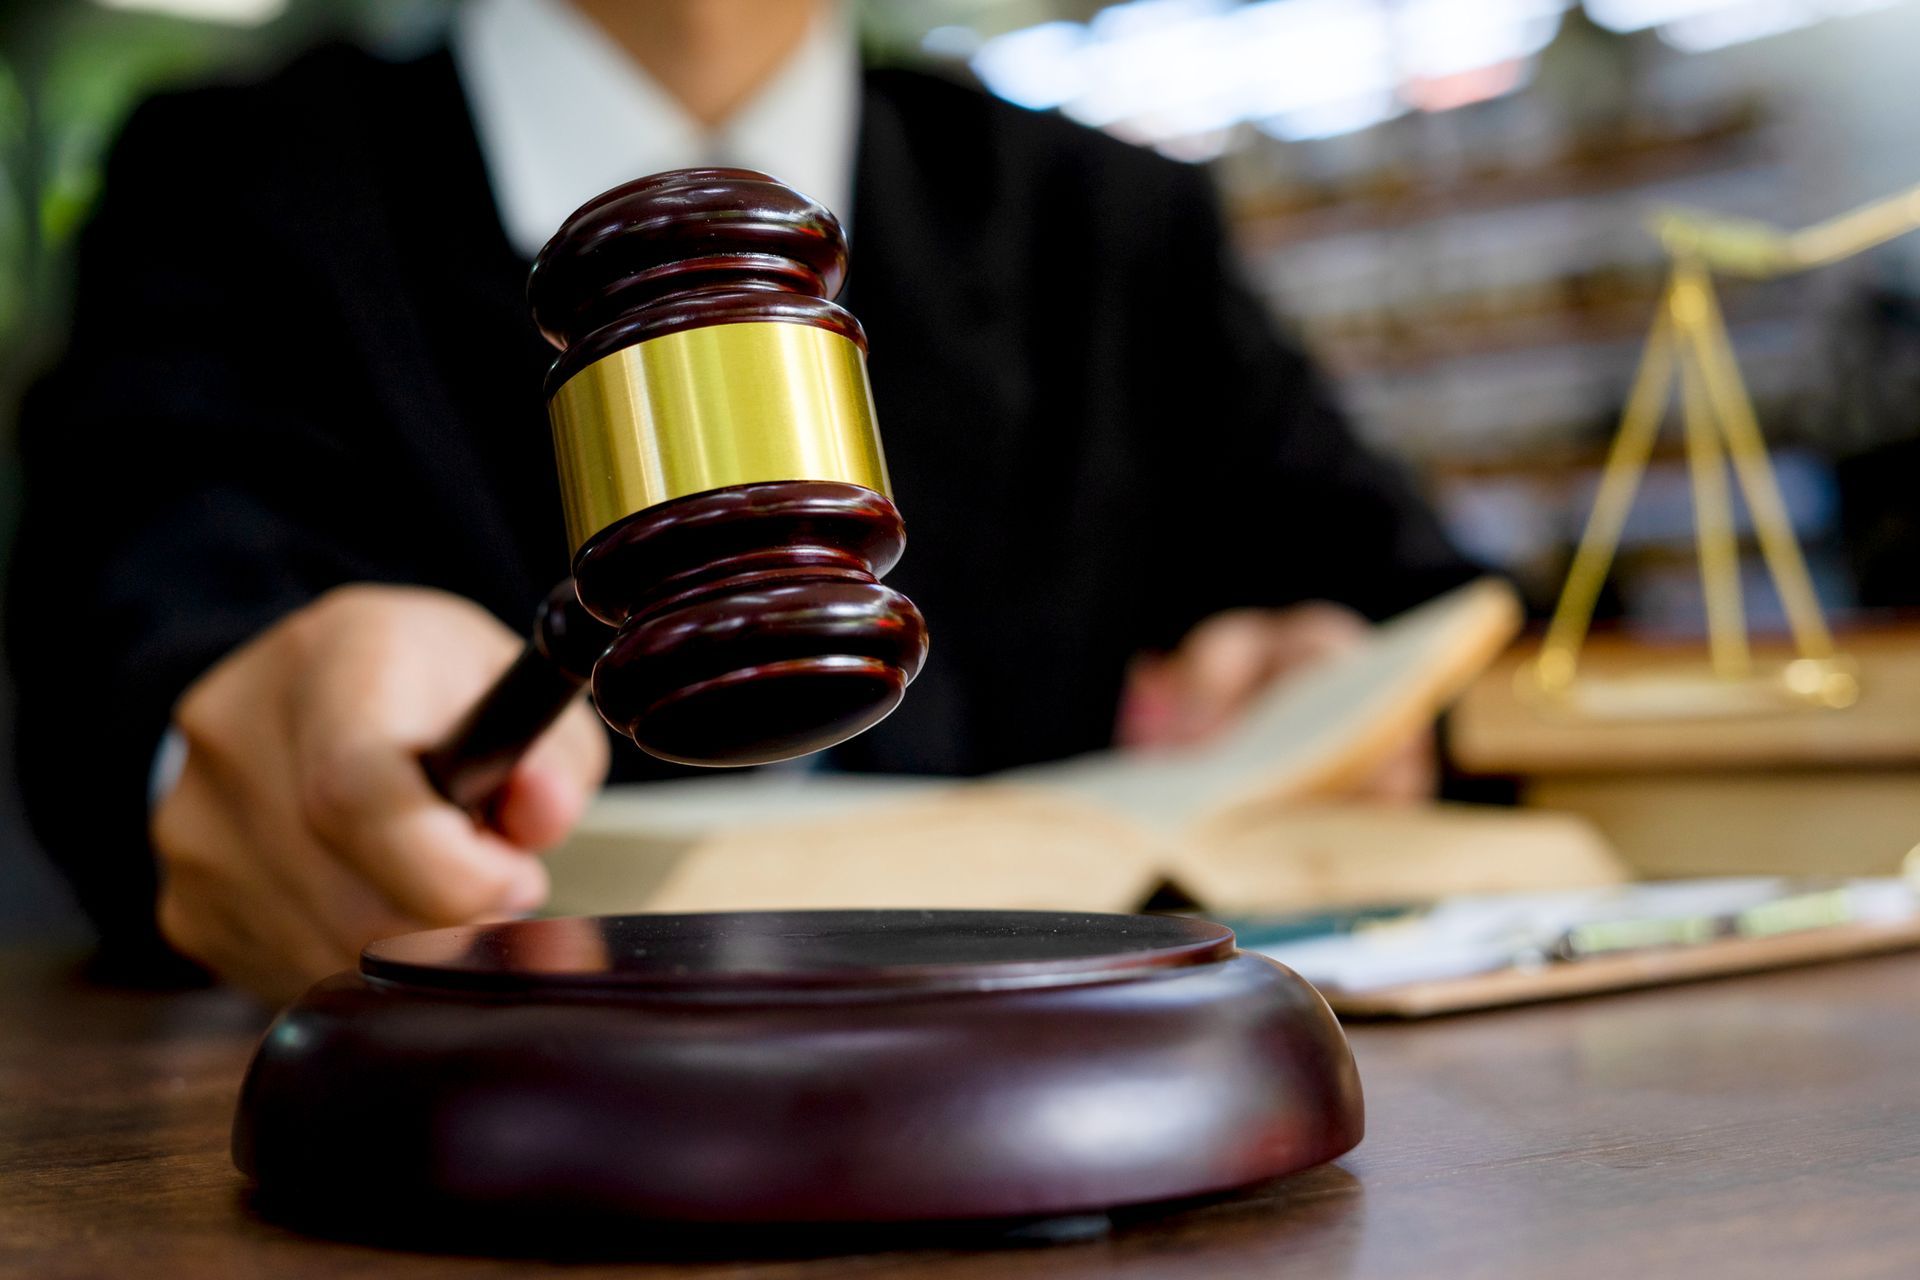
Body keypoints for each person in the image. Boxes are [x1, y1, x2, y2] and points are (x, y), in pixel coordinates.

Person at [7, 0, 1475, 999]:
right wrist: (230, 754)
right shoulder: (231, 189)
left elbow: (1428, 605)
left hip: (1049, 1079)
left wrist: (1336, 682)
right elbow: (128, 630)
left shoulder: (1106, 220)